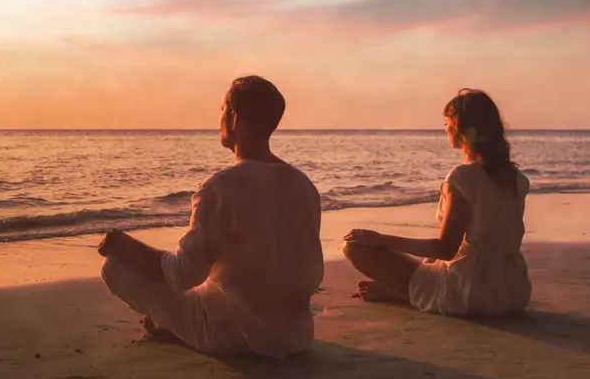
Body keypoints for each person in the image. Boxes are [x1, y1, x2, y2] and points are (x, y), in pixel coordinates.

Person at [97, 76, 324, 358]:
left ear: (233, 117)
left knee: (115, 265)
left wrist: (127, 246)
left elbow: (182, 274)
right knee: (214, 280)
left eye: (221, 110)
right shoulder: (303, 184)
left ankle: (172, 324)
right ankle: (170, 321)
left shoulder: (220, 187)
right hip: (295, 335)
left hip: (232, 336)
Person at [343, 88, 532, 316]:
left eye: (446, 122)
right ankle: (409, 291)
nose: (444, 129)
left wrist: (380, 239)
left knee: (354, 247)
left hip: (470, 293)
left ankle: (410, 293)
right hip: (512, 291)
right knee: (428, 266)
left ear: (459, 126)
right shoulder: (517, 178)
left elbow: (445, 248)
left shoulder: (463, 177)